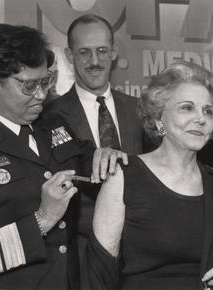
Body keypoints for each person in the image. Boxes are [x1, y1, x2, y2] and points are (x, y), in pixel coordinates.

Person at [0, 23, 126, 289]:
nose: (42, 95)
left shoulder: (55, 124)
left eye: (45, 81)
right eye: (29, 86)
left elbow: (92, 162)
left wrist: (106, 156)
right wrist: (42, 220)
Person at [84, 61, 213, 290]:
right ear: (158, 118)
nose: (201, 118)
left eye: (207, 111)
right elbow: (98, 275)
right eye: (187, 108)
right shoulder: (124, 176)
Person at [44, 14, 149, 252]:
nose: (95, 61)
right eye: (84, 52)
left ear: (114, 52)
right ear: (69, 56)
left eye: (102, 50)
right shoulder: (47, 118)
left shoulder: (141, 110)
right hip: (81, 253)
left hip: (141, 248)